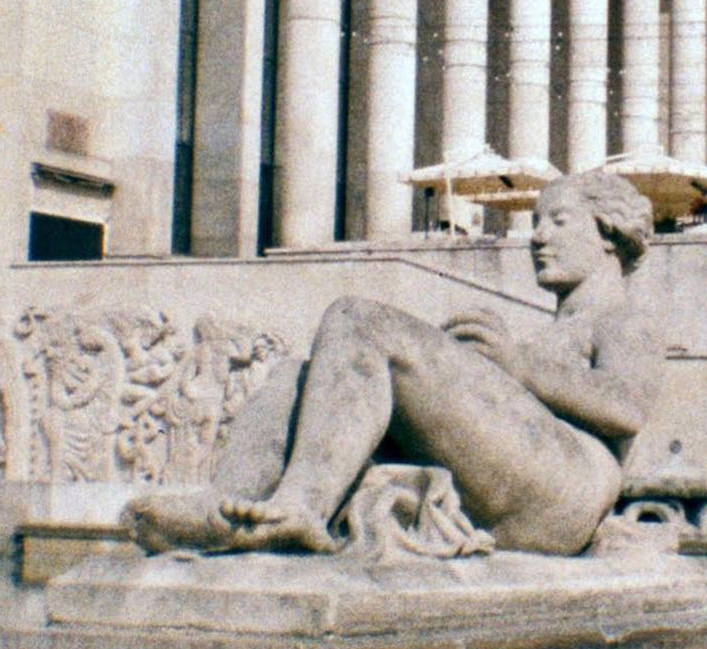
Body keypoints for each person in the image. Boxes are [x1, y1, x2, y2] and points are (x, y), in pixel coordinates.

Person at [123, 169, 662, 557]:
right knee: (296, 375)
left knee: (360, 319)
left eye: (559, 222)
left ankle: (302, 507)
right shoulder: (554, 329)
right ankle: (228, 506)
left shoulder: (623, 319)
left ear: (608, 235)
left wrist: (518, 367)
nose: (537, 237)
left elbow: (627, 407)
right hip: (537, 473)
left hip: (570, 487)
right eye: (537, 222)